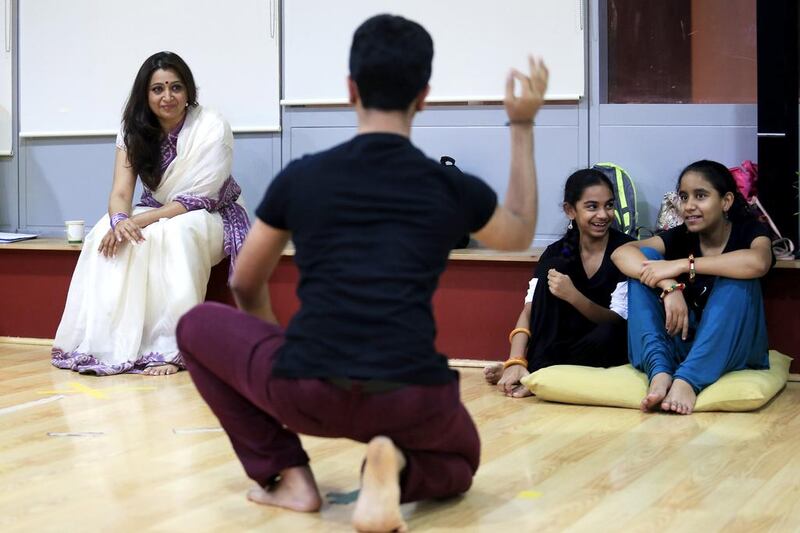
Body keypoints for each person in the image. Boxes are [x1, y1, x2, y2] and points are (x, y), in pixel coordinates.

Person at [176, 14, 548, 532]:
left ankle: (288, 479)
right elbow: (520, 232)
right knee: (460, 466)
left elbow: (243, 281)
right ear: (423, 96)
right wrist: (523, 124)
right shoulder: (448, 187)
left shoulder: (302, 176)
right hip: (413, 397)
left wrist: (285, 360)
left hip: (309, 389)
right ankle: (392, 465)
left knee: (194, 325)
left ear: (351, 89)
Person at [52, 51, 249, 376]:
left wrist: (137, 220)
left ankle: (175, 349)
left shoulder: (211, 125)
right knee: (104, 232)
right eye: (158, 89)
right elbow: (120, 193)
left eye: (176, 87)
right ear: (146, 93)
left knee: (174, 232)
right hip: (159, 210)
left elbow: (197, 199)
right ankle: (111, 344)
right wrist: (119, 220)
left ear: (188, 92)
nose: (167, 97)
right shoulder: (134, 129)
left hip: (213, 214)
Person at [611, 160, 772, 415]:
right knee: (644, 269)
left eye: (701, 196)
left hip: (733, 345)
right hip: (684, 340)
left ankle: (687, 381)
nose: (689, 206)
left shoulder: (750, 231)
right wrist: (668, 286)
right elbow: (621, 253)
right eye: (684, 197)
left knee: (737, 276)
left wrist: (683, 265)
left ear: (726, 201)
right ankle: (660, 373)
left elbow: (758, 262)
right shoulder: (680, 235)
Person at [484, 169, 633, 398]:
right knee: (554, 265)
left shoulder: (626, 249)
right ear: (570, 210)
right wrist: (516, 358)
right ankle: (524, 368)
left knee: (610, 333)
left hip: (604, 343)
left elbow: (617, 320)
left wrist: (574, 296)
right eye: (592, 206)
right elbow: (530, 311)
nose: (603, 214)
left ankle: (536, 372)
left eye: (609, 205)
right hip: (562, 344)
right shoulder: (560, 251)